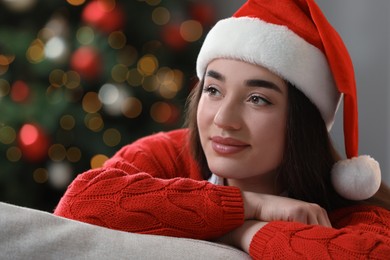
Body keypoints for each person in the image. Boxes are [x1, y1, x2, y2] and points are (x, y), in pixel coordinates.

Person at [54, 0, 390, 258]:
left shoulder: (353, 204)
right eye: (213, 90)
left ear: (300, 123)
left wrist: (244, 232)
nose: (224, 119)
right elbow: (80, 204)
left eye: (257, 99)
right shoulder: (169, 153)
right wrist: (251, 206)